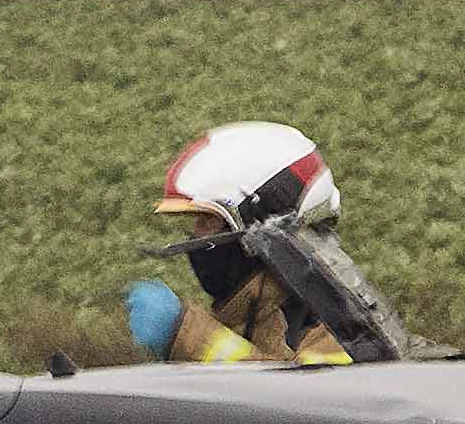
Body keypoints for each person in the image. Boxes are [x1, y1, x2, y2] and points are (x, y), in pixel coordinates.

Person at [145, 122, 356, 366]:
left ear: (260, 233)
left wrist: (184, 336)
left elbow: (287, 398)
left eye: (206, 221)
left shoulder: (337, 337)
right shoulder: (252, 318)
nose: (195, 238)